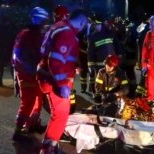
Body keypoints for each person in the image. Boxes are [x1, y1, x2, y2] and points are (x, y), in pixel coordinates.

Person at [37, 9, 88, 153]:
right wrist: (61, 84)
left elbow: (59, 55)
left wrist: (74, 66)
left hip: (47, 76)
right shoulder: (67, 33)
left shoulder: (59, 26)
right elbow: (55, 61)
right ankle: (48, 149)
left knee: (58, 115)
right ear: (82, 21)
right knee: (60, 115)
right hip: (54, 80)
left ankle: (51, 144)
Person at [12, 7, 49, 141]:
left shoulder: (37, 33)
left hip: (36, 74)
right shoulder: (26, 34)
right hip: (27, 74)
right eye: (43, 19)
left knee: (37, 102)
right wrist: (32, 69)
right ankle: (18, 130)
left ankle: (32, 125)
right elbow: (19, 56)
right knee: (28, 103)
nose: (44, 22)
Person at [87, 14, 123, 96]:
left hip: (102, 63)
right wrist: (120, 54)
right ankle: (105, 96)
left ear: (97, 24)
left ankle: (102, 96)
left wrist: (90, 64)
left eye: (95, 25)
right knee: (106, 80)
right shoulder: (109, 32)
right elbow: (117, 44)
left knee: (102, 80)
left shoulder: (94, 36)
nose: (94, 26)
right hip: (109, 63)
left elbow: (90, 51)